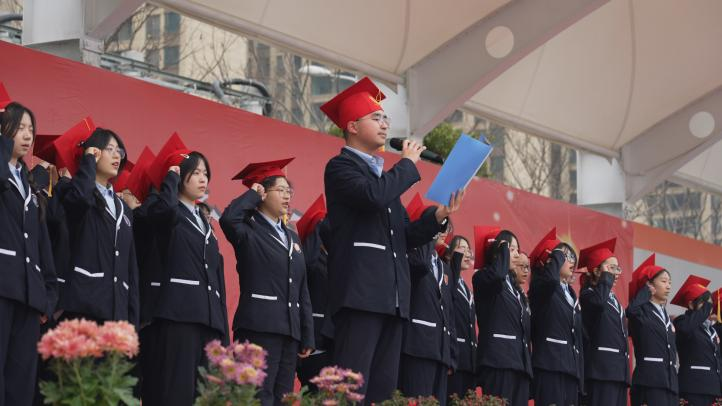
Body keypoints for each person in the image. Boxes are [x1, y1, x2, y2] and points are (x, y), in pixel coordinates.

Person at [320, 77, 462, 403]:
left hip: (392, 299)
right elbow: (373, 196)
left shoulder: (383, 178)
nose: (385, 124)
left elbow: (406, 235)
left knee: (381, 392)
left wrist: (438, 216)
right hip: (360, 295)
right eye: (376, 118)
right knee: (351, 387)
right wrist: (408, 164)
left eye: (386, 118)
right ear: (352, 126)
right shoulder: (341, 168)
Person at [141, 133, 229, 405]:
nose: (204, 179)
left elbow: (217, 277)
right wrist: (170, 177)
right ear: (180, 177)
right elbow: (163, 211)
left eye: (206, 173)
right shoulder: (166, 210)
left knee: (204, 395)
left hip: (208, 319)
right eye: (196, 173)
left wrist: (223, 331)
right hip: (179, 316)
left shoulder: (205, 221)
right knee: (176, 391)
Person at [220, 158, 314, 406]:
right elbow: (228, 220)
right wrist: (253, 194)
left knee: (283, 397)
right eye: (280, 190)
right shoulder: (248, 229)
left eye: (288, 190)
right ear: (262, 193)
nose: (286, 196)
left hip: (289, 331)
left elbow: (301, 287)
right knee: (256, 395)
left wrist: (306, 332)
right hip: (260, 326)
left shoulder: (291, 234)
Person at [47, 120, 139, 326]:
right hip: (82, 303)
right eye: (110, 149)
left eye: (120, 151)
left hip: (117, 309)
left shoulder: (123, 208)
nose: (117, 156)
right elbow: (80, 199)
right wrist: (88, 159)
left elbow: (130, 266)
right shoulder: (72, 191)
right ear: (94, 152)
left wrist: (132, 317)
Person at [0, 101, 58, 405]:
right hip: (3, 289)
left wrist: (48, 295)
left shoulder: (31, 184)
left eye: (30, 129)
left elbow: (42, 246)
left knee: (22, 382)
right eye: (19, 127)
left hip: (29, 297)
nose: (26, 135)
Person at [398, 193, 456, 404]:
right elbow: (420, 267)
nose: (443, 231)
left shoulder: (443, 266)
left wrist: (450, 353)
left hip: (439, 351)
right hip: (417, 346)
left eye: (445, 226)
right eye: (439, 224)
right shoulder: (413, 255)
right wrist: (427, 233)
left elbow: (448, 311)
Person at [472, 226, 532, 406]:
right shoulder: (483, 277)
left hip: (519, 363)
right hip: (498, 360)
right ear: (498, 251)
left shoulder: (515, 288)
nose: (515, 254)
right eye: (510, 249)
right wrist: (503, 252)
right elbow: (497, 275)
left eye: (516, 249)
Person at [528, 228, 583, 406]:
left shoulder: (572, 294)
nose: (571, 262)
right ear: (550, 261)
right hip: (549, 365)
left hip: (570, 368)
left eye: (573, 258)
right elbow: (550, 280)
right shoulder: (541, 285)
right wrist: (557, 254)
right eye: (565, 257)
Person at [577, 238, 629, 406]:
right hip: (601, 371)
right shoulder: (589, 295)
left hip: (618, 372)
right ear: (597, 271)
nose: (616, 273)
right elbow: (598, 303)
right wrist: (606, 277)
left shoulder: (613, 299)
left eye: (617, 268)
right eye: (611, 268)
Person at [626, 253, 678, 406]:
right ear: (650, 285)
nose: (668, 286)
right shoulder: (641, 310)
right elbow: (630, 311)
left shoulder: (665, 314)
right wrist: (645, 293)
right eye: (663, 281)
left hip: (669, 382)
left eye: (669, 282)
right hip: (649, 380)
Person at [295, 195, 333, 392]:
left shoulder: (336, 261)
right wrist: (319, 222)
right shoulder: (312, 261)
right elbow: (307, 263)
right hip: (313, 342)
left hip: (332, 342)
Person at [671, 275, 722, 406]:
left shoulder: (712, 330)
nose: (709, 309)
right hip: (693, 387)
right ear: (691, 304)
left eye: (711, 304)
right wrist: (705, 310)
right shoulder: (682, 321)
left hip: (713, 389)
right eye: (705, 304)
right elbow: (686, 329)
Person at [444, 235, 477, 400]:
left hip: (469, 360)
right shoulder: (448, 280)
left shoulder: (465, 285)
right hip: (455, 358)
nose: (467, 253)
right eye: (461, 249)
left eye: (467, 249)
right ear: (449, 255)